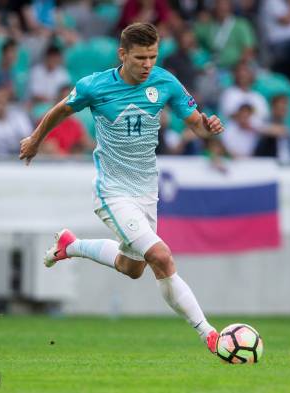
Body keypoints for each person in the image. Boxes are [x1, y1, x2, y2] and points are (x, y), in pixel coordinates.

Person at [18, 23, 224, 354]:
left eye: (153, 57)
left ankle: (72, 245)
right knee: (161, 256)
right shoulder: (95, 86)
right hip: (112, 191)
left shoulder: (165, 82)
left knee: (132, 268)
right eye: (140, 57)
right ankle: (210, 335)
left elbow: (198, 127)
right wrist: (35, 140)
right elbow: (60, 110)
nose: (147, 65)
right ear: (122, 54)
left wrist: (210, 127)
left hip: (147, 191)